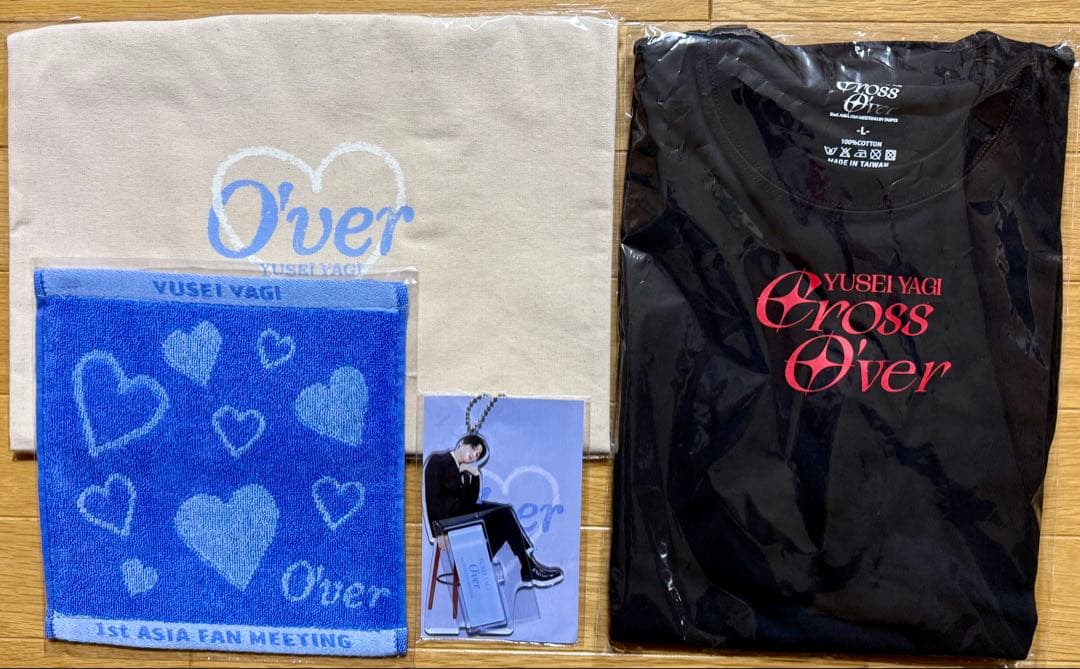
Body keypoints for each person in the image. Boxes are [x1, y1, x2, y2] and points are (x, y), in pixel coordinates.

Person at [424, 434, 563, 587]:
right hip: (449, 520)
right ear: (462, 443)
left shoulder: (466, 471)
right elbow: (432, 497)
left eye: (477, 455)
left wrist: (475, 475)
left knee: (503, 521)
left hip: (462, 515)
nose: (473, 455)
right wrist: (438, 532)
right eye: (473, 448)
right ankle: (527, 567)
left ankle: (520, 564)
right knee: (505, 514)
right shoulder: (438, 461)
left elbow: (471, 501)